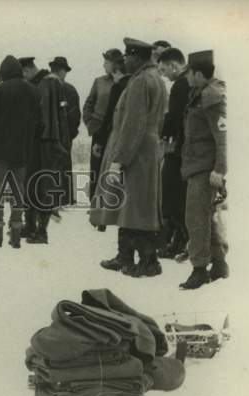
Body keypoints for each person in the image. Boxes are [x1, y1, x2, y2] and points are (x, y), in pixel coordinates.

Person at [91, 38, 167, 277]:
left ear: (137, 57)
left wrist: (118, 160)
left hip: (136, 153)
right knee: (132, 204)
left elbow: (132, 125)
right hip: (146, 150)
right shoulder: (154, 78)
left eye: (128, 57)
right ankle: (126, 256)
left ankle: (148, 261)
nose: (125, 61)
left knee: (135, 207)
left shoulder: (140, 82)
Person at [179, 50, 228, 290]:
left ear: (198, 74)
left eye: (189, 72)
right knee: (205, 218)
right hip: (197, 165)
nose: (186, 76)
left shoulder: (211, 97)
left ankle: (199, 270)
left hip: (204, 168)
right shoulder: (201, 94)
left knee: (195, 219)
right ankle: (219, 265)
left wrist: (220, 169)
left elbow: (222, 136)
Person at [0, 55, 40, 249]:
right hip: (21, 150)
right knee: (18, 190)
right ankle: (15, 233)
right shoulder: (32, 90)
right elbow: (39, 122)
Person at [22, 56, 71, 244]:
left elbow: (46, 117)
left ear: (27, 70)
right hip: (44, 143)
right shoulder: (47, 82)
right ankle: (31, 227)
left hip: (45, 144)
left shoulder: (47, 83)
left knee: (43, 186)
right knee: (35, 185)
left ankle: (41, 231)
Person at [157, 47, 189, 259]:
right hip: (185, 147)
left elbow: (174, 117)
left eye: (164, 69)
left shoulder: (180, 84)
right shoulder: (188, 81)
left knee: (172, 193)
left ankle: (177, 243)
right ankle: (178, 242)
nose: (164, 75)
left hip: (178, 149)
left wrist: (161, 132)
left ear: (174, 65)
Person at [82, 49, 122, 200]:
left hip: (116, 130)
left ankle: (111, 202)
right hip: (99, 130)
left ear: (114, 64)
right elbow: (88, 104)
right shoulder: (99, 82)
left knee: (112, 167)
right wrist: (90, 124)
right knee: (96, 167)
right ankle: (95, 201)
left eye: (106, 62)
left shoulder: (124, 81)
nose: (103, 65)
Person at [48, 56, 80, 207]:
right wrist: (70, 134)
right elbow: (75, 116)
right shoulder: (69, 89)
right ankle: (65, 198)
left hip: (48, 136)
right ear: (61, 72)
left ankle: (50, 198)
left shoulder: (44, 87)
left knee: (49, 167)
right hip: (65, 135)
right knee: (65, 166)